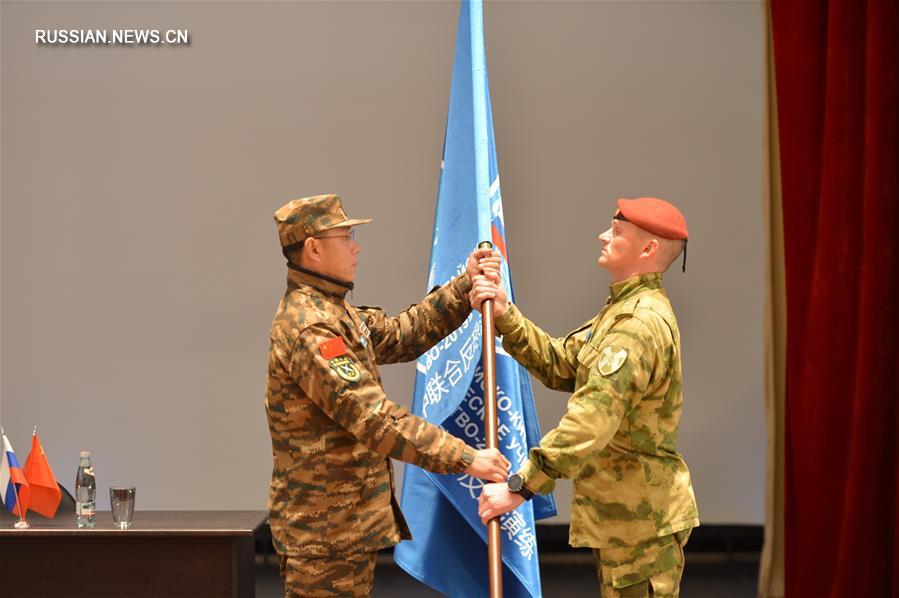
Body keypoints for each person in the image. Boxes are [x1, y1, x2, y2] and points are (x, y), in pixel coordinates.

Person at [265, 194, 510, 597]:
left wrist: (465, 284)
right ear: (313, 248)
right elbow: (375, 419)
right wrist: (466, 458)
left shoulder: (333, 312)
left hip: (342, 527)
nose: (355, 246)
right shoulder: (312, 328)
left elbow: (401, 335)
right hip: (323, 534)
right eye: (345, 236)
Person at [473, 197, 700, 597]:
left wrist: (521, 485)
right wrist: (506, 316)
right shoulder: (622, 310)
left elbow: (592, 418)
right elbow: (563, 364)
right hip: (626, 519)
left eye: (616, 232)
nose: (603, 236)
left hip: (639, 524)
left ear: (647, 249)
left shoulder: (637, 322)